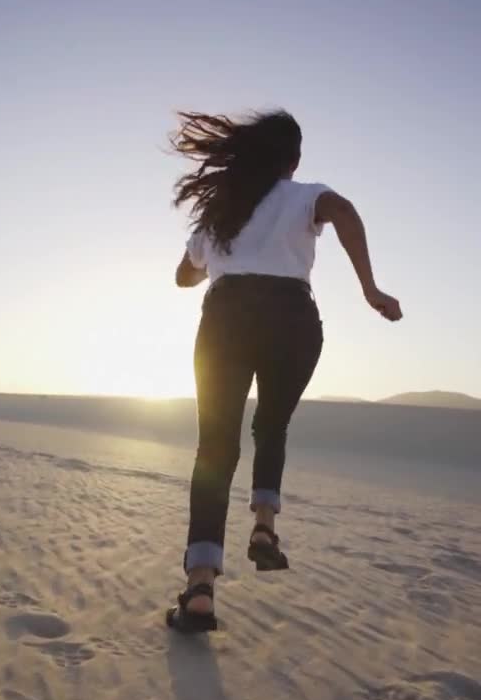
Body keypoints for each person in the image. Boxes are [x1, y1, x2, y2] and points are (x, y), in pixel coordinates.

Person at [166, 109, 402, 633]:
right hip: (294, 319)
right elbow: (343, 210)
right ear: (293, 161)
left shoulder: (219, 211)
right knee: (271, 424)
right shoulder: (305, 196)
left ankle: (200, 588)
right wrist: (370, 289)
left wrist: (200, 262)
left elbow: (184, 277)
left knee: (215, 448)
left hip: (227, 316)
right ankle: (265, 528)